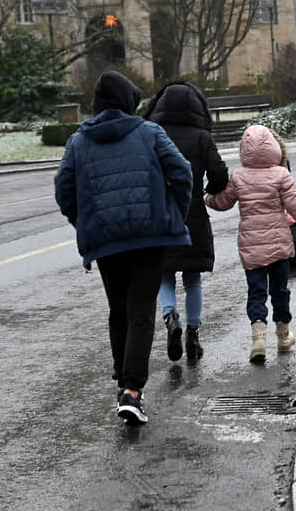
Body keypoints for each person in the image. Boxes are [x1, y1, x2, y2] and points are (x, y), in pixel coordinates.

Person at [54, 71, 193, 426]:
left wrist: (85, 221)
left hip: (107, 242)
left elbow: (64, 191)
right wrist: (172, 212)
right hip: (150, 237)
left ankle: (124, 384)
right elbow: (182, 173)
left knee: (118, 310)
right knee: (141, 312)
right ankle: (131, 391)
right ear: (129, 101)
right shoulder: (149, 133)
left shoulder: (78, 141)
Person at [205, 125, 296, 363]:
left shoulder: (238, 176)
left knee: (256, 292)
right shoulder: (281, 175)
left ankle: (258, 339)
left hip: (251, 246)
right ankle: (284, 336)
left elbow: (223, 203)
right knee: (280, 290)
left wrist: (207, 199)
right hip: (279, 245)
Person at [142, 81, 229, 362]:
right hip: (193, 216)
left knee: (163, 274)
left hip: (160, 216)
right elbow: (219, 174)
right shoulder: (202, 137)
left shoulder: (152, 135)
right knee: (192, 279)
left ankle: (170, 318)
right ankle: (193, 333)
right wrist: (208, 192)